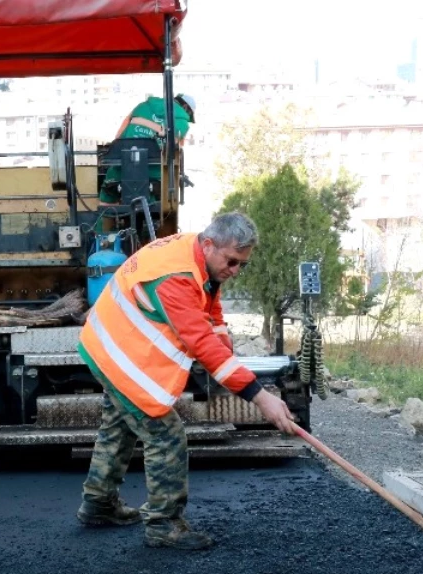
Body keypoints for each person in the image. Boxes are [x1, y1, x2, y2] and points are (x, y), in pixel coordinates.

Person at [75, 212, 299, 550]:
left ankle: (98, 504)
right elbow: (199, 341)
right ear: (210, 245)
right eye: (232, 262)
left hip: (113, 345)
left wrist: (226, 351)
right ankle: (164, 524)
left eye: (242, 265)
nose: (235, 271)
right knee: (166, 435)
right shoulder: (174, 277)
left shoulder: (200, 256)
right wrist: (258, 395)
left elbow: (211, 307)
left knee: (118, 426)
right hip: (117, 353)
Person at [98, 93, 196, 205]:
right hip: (153, 171)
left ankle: (105, 216)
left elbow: (119, 136)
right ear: (185, 108)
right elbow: (175, 152)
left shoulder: (143, 106)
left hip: (123, 165)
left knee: (108, 191)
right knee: (163, 192)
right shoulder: (182, 123)